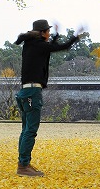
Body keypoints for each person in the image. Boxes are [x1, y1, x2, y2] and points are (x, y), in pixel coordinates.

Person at [15, 19, 83, 177]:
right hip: (33, 92)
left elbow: (49, 47)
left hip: (25, 92)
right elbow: (61, 47)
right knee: (30, 131)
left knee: (26, 130)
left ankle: (23, 163)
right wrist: (75, 35)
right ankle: (23, 166)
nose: (49, 33)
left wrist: (56, 36)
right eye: (48, 31)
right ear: (42, 33)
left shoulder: (31, 45)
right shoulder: (39, 45)